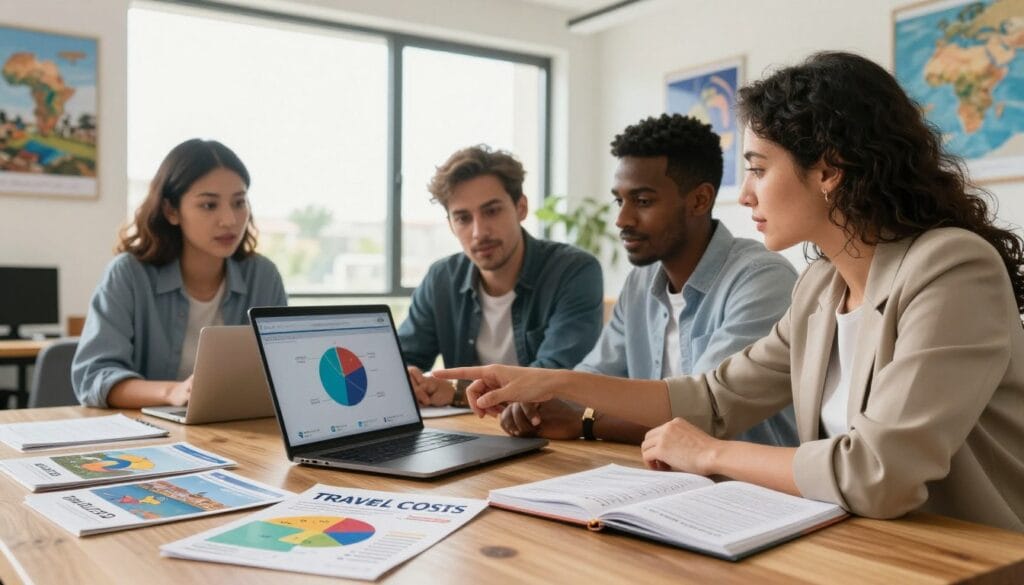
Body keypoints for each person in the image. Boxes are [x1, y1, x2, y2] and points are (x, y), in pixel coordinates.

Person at [436, 52, 1024, 532]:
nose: (744, 196)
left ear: (830, 169)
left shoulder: (951, 266)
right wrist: (555, 381)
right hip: (861, 543)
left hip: (972, 559)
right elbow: (715, 397)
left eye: (759, 169)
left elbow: (878, 472)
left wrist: (708, 453)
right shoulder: (822, 286)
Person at [500, 114, 799, 447]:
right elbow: (592, 379)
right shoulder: (640, 284)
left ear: (699, 200)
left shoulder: (761, 279)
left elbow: (704, 415)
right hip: (660, 476)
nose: (622, 219)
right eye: (619, 200)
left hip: (750, 489)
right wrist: (538, 403)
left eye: (642, 201)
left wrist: (586, 422)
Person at [72, 139, 287, 408]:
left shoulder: (263, 276)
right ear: (171, 210)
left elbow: (283, 374)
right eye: (209, 205)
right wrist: (172, 392)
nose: (230, 219)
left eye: (238, 202)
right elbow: (94, 377)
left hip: (234, 431)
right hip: (146, 434)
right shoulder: (129, 274)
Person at [397, 145, 604, 408]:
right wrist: (409, 377)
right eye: (463, 218)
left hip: (552, 434)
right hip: (470, 432)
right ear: (450, 224)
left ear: (521, 208)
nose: (478, 232)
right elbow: (403, 358)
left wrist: (456, 391)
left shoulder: (573, 271)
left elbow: (555, 379)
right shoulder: (441, 279)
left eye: (492, 211)